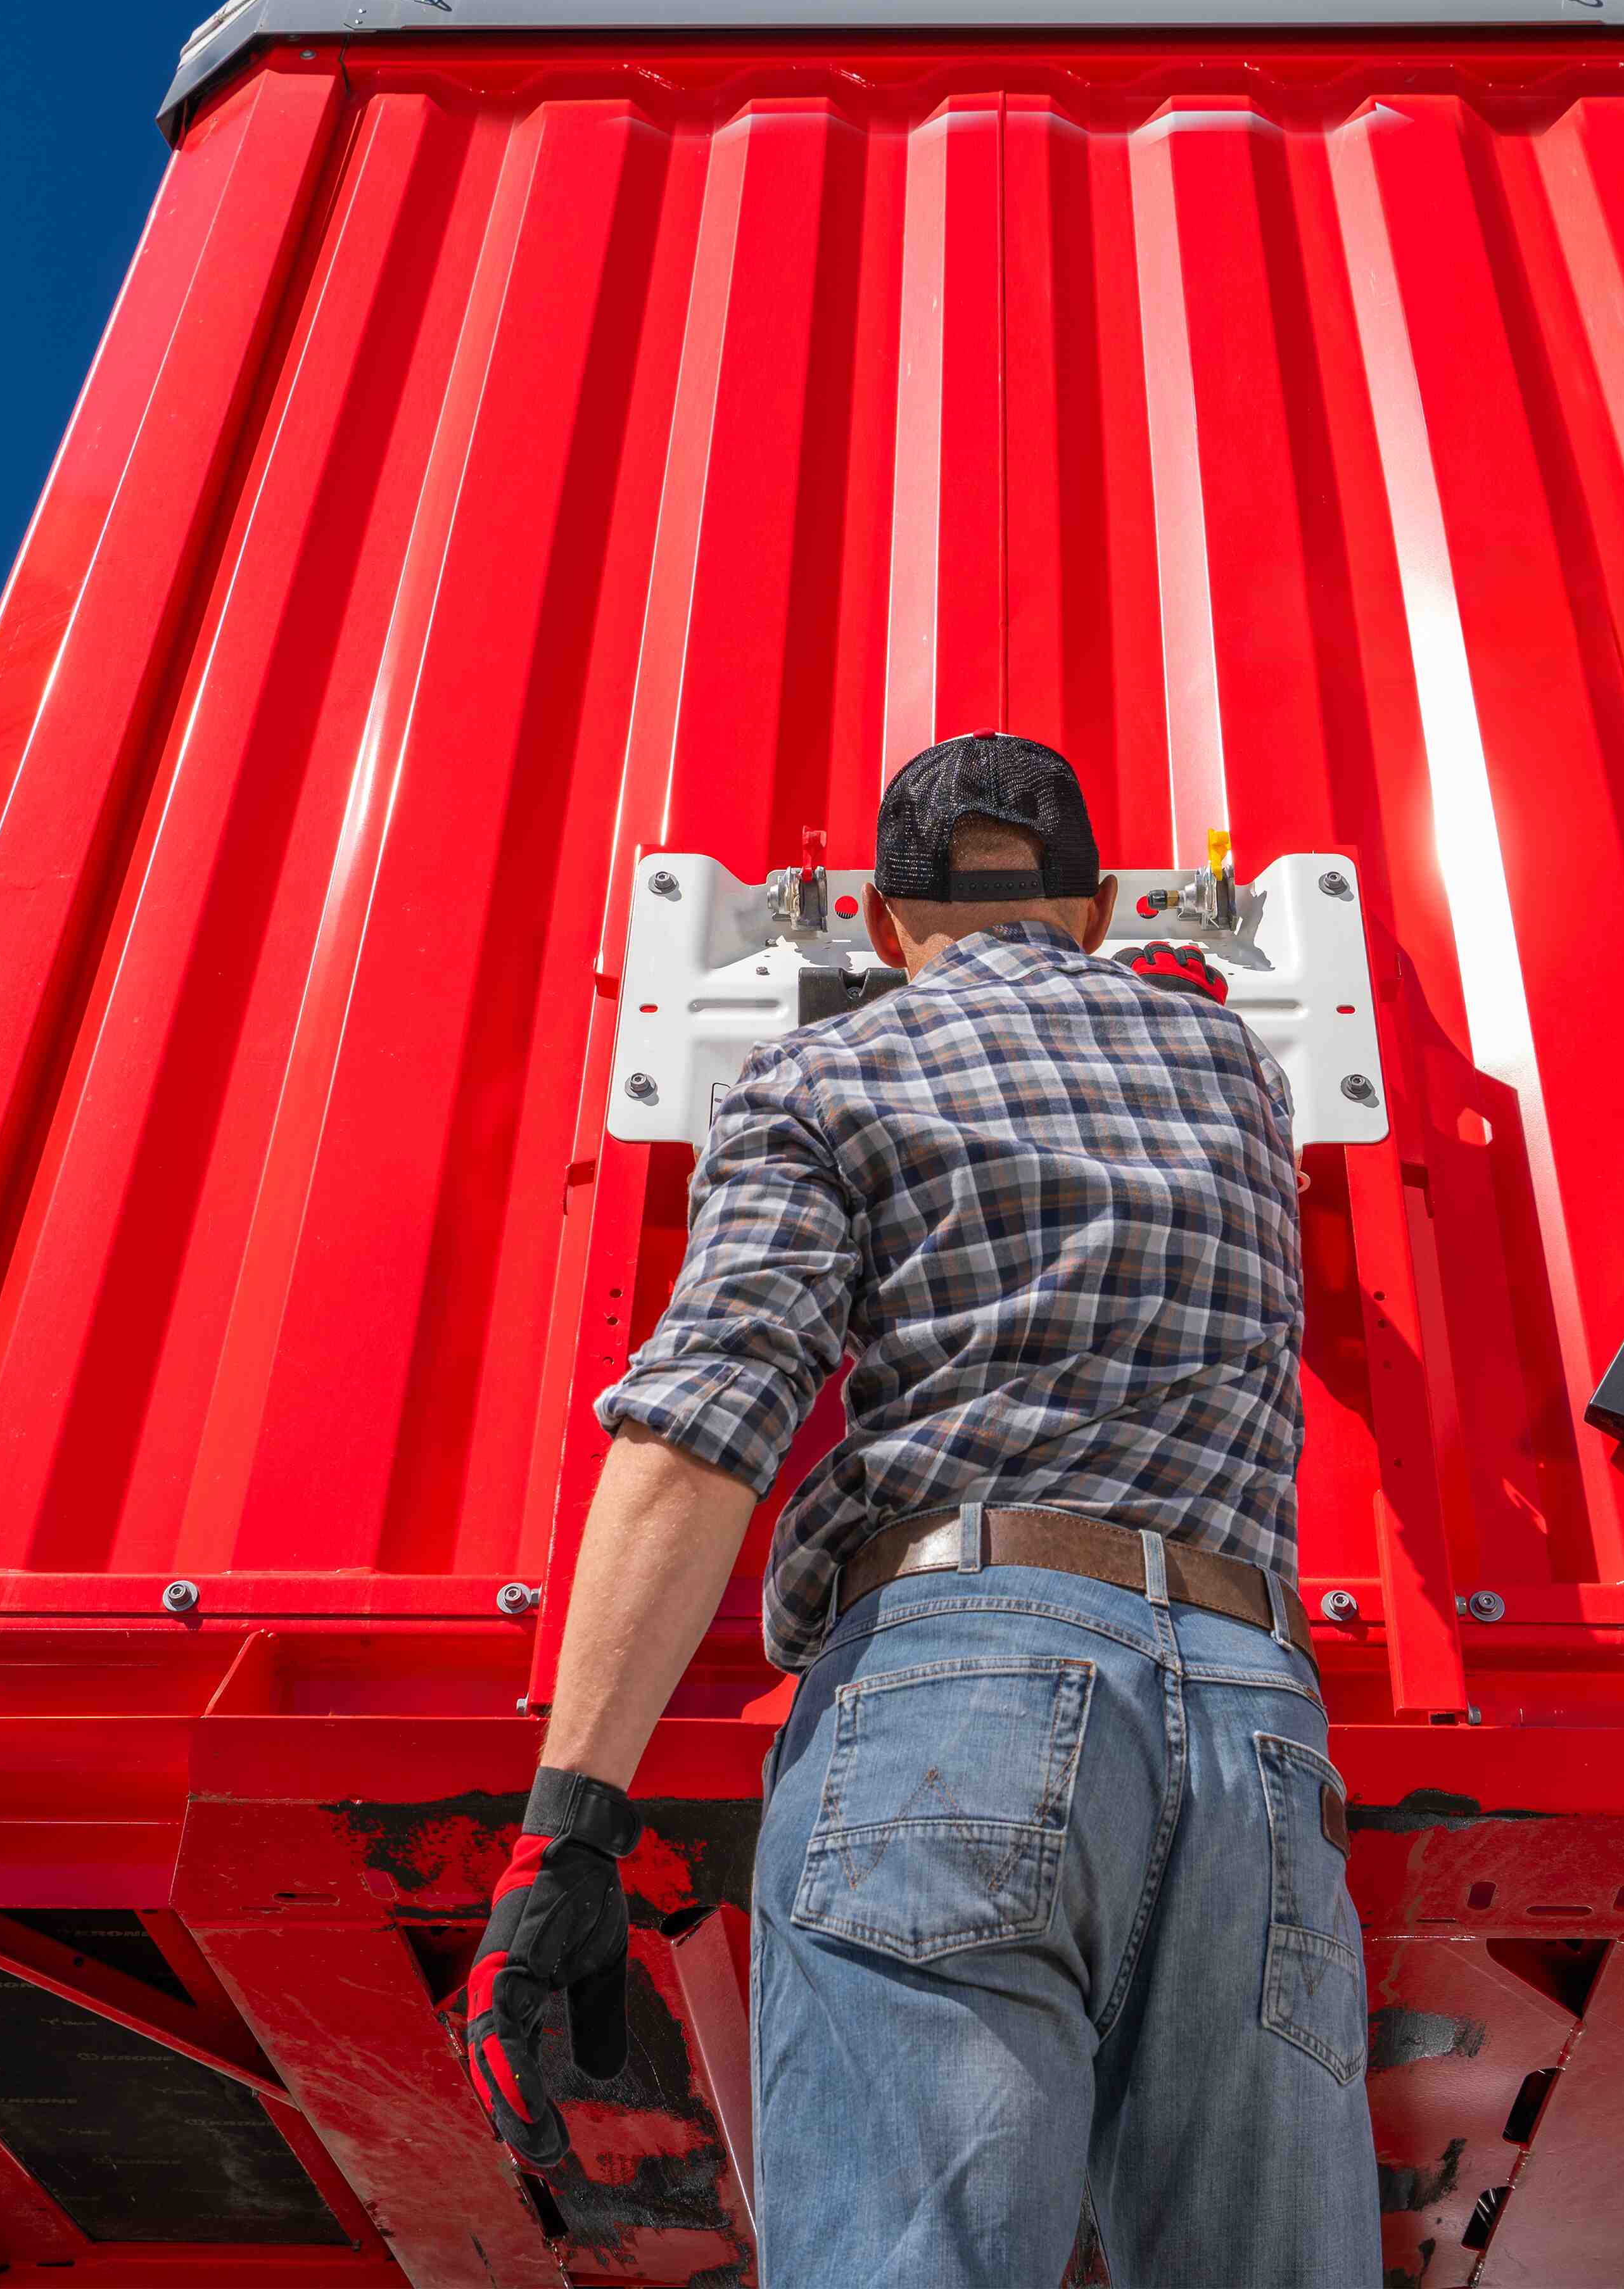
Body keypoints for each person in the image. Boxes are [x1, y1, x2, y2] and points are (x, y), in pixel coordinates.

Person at [454, 733, 1380, 2288]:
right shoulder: (1237, 1075)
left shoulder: (823, 1075)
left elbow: (702, 1426)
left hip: (955, 1690)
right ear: (1094, 911)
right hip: (1255, 1724)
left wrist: (569, 1826)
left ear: (885, 926)